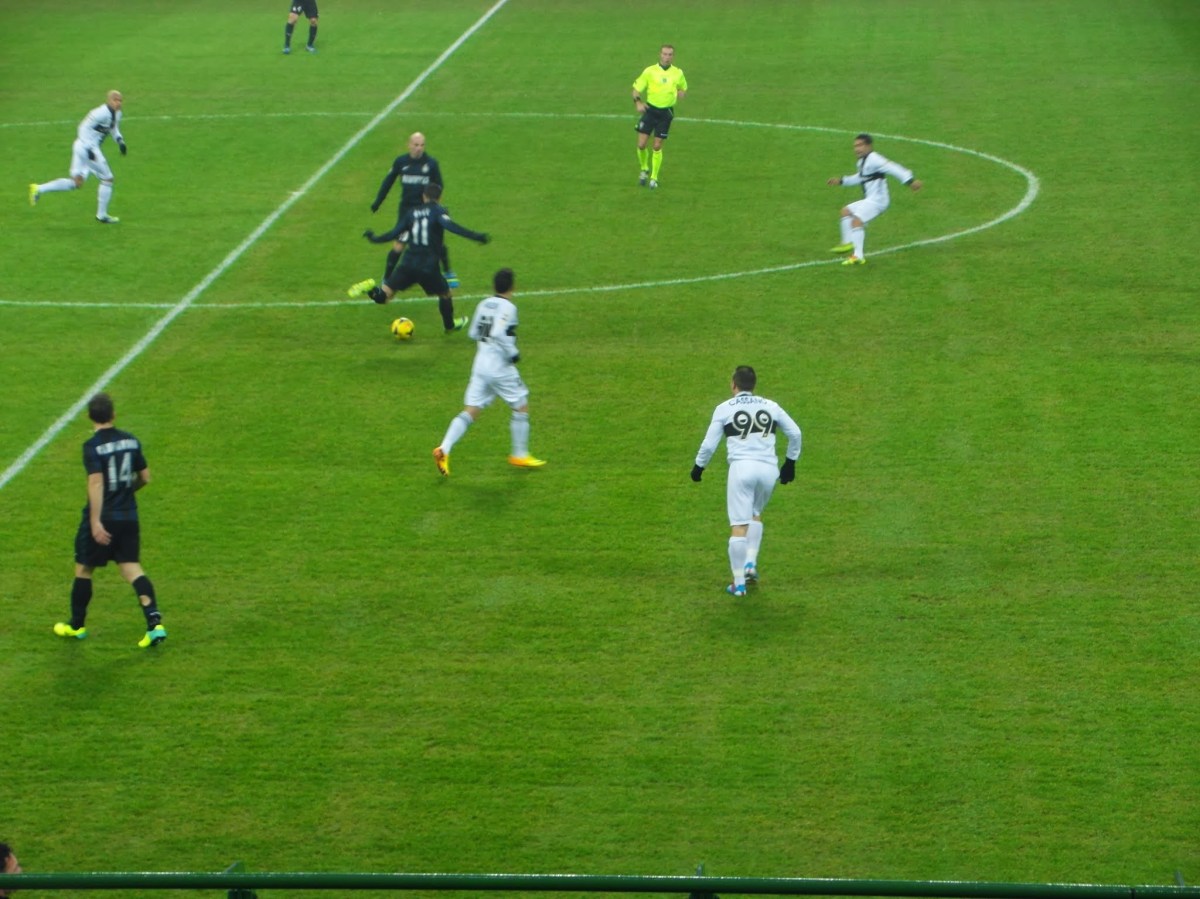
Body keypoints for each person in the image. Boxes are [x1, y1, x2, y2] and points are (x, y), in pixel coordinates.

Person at [54, 393, 167, 649]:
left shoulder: (92, 446)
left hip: (104, 517)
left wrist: (95, 521)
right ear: (113, 414)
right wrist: (126, 492)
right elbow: (145, 478)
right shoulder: (131, 440)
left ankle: (76, 626)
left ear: (89, 416)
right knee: (132, 569)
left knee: (84, 569)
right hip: (128, 515)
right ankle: (154, 623)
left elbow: (96, 482)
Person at [691, 366, 801, 597]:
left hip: (742, 468)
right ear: (753, 385)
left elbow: (709, 445)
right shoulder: (771, 406)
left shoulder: (724, 408)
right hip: (768, 470)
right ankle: (751, 562)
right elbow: (795, 433)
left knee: (738, 526)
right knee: (755, 512)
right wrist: (790, 462)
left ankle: (739, 583)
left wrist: (699, 467)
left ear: (734, 384)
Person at [432, 268, 546, 476]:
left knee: (471, 410)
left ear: (494, 285)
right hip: (499, 367)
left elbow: (474, 333)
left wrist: (489, 340)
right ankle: (519, 454)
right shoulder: (509, 307)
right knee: (521, 406)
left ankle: (444, 448)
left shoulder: (483, 304)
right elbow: (498, 332)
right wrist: (512, 353)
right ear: (513, 286)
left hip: (480, 364)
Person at [348, 182, 488, 333]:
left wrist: (374, 238)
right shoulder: (439, 211)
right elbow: (451, 226)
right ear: (440, 197)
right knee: (445, 293)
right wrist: (476, 236)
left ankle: (371, 289)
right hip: (428, 266)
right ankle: (449, 325)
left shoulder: (411, 213)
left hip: (407, 263)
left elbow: (394, 233)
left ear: (423, 196)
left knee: (385, 297)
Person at [370, 132, 457, 287]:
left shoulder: (431, 164)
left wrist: (437, 206)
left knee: (435, 241)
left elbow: (439, 186)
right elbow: (388, 181)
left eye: (422, 145)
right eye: (416, 145)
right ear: (409, 145)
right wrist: (378, 201)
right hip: (407, 212)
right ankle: (387, 278)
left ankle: (448, 272)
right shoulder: (401, 162)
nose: (419, 148)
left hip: (426, 211)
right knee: (399, 245)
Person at [29, 90, 128, 224]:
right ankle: (102, 215)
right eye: (115, 100)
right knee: (108, 178)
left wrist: (120, 141)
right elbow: (82, 128)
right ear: (109, 100)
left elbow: (114, 128)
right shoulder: (99, 113)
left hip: (82, 147)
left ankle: (38, 189)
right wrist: (88, 149)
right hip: (86, 148)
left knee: (76, 183)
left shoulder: (117, 114)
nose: (118, 103)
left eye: (120, 100)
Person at [827, 132, 923, 265]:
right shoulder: (862, 161)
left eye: (860, 145)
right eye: (855, 146)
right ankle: (847, 243)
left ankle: (858, 256)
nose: (857, 149)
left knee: (856, 220)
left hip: (878, 200)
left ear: (869, 146)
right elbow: (861, 177)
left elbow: (892, 167)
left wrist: (909, 181)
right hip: (870, 199)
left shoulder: (874, 158)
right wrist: (842, 181)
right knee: (845, 211)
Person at [632, 44, 688, 189]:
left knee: (657, 146)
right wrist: (638, 102)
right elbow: (636, 89)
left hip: (666, 113)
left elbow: (683, 88)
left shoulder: (678, 73)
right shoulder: (650, 71)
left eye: (670, 54)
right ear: (660, 54)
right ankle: (644, 168)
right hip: (650, 111)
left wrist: (681, 93)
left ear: (673, 56)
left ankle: (654, 178)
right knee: (641, 144)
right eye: (664, 54)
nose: (667, 57)